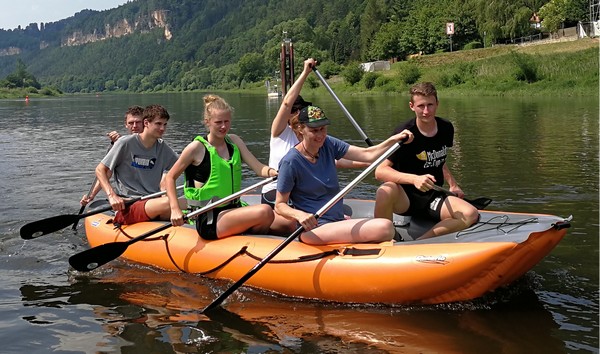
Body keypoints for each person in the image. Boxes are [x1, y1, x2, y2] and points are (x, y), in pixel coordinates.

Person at [274, 105, 413, 245]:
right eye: (314, 130)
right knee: (384, 226)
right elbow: (279, 205)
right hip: (314, 229)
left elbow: (368, 154)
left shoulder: (328, 143)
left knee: (381, 226)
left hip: (336, 221)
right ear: (300, 129)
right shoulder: (291, 161)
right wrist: (299, 215)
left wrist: (394, 140)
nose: (320, 135)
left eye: (323, 129)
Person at [262, 58, 368, 234]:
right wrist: (305, 72)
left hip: (302, 196)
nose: (298, 113)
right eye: (294, 111)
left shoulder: (314, 138)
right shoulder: (280, 132)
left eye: (301, 110)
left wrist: (368, 162)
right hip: (277, 196)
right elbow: (287, 103)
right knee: (294, 223)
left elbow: (336, 161)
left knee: (337, 211)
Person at [374, 82, 479, 240]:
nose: (426, 111)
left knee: (470, 214)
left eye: (430, 105)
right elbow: (380, 171)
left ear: (437, 104)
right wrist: (414, 179)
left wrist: (453, 184)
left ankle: (420, 242)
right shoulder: (404, 133)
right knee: (385, 190)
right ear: (412, 106)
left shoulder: (446, 128)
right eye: (421, 106)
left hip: (432, 196)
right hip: (405, 198)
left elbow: (438, 158)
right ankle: (381, 240)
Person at [165, 94, 276, 240]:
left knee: (284, 224)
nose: (224, 126)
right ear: (207, 122)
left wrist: (274, 172)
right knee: (266, 211)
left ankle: (251, 244)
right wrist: (175, 209)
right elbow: (170, 177)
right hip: (210, 218)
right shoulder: (196, 148)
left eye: (227, 121)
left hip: (234, 209)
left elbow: (259, 168)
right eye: (218, 122)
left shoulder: (234, 141)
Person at [95, 104, 182, 225]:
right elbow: (100, 170)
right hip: (129, 205)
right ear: (146, 123)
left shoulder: (162, 147)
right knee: (171, 202)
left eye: (165, 124)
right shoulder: (125, 142)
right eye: (158, 124)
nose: (162, 128)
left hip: (153, 202)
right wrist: (112, 196)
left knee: (185, 202)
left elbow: (182, 166)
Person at [80, 105, 145, 206]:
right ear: (126, 125)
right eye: (131, 123)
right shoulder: (120, 144)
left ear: (145, 123)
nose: (135, 126)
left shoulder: (158, 145)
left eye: (138, 122)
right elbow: (105, 172)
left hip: (151, 197)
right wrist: (91, 195)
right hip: (128, 200)